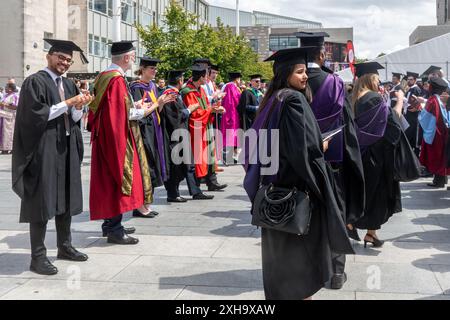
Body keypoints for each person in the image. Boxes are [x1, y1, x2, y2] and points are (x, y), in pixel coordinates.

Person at [243, 46, 354, 300]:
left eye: (305, 71)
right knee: (300, 266)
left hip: (274, 192)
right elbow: (302, 149)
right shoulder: (293, 99)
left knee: (280, 262)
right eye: (300, 71)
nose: (305, 76)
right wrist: (321, 146)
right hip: (296, 192)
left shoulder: (273, 99)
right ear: (286, 73)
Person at [12, 39, 92, 275]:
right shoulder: (34, 82)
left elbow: (74, 119)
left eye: (68, 60)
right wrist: (69, 102)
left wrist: (80, 106)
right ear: (49, 56)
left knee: (65, 197)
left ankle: (65, 246)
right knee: (42, 200)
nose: (64, 62)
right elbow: (36, 115)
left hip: (66, 148)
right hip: (43, 149)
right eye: (61, 57)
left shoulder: (68, 84)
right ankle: (38, 257)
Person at [297, 31, 365, 290]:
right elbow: (347, 127)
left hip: (301, 165)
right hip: (332, 163)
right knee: (334, 215)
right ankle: (335, 273)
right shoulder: (334, 83)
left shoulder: (288, 84)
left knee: (305, 217)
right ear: (322, 53)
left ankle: (306, 269)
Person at [88, 41, 154, 244]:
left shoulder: (104, 76)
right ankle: (115, 229)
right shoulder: (116, 80)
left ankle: (110, 224)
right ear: (126, 57)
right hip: (117, 139)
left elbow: (114, 108)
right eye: (133, 56)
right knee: (118, 179)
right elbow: (118, 116)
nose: (134, 59)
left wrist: (133, 104)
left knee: (108, 181)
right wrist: (143, 110)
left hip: (106, 138)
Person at [352, 62, 403, 248]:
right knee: (376, 194)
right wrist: (400, 101)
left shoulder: (352, 98)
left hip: (357, 153)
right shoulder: (375, 98)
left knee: (362, 192)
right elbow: (393, 125)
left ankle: (367, 232)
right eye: (377, 77)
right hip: (375, 155)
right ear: (370, 78)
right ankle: (368, 232)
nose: (379, 80)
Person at [130, 57, 175, 218]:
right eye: (151, 68)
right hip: (144, 132)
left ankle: (146, 203)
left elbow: (157, 110)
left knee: (154, 166)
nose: (154, 71)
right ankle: (140, 206)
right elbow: (138, 114)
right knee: (146, 167)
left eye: (155, 69)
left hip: (155, 129)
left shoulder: (153, 86)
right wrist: (157, 103)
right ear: (142, 68)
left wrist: (162, 102)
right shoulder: (136, 87)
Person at [181, 64, 228, 193]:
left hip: (205, 125)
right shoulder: (188, 92)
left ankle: (212, 182)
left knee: (209, 156)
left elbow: (206, 106)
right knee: (198, 158)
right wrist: (210, 110)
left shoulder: (200, 89)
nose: (208, 78)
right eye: (207, 75)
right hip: (196, 128)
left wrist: (215, 110)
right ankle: (196, 189)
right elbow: (194, 114)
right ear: (201, 77)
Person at [162, 70, 201, 202]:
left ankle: (180, 192)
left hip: (179, 134)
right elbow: (175, 117)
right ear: (179, 81)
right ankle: (173, 194)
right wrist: (190, 109)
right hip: (175, 135)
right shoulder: (170, 95)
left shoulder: (174, 94)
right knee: (176, 165)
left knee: (183, 164)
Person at [419, 77, 450, 188]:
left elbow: (424, 117)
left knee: (436, 157)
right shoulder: (439, 99)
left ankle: (438, 181)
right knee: (442, 157)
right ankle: (441, 179)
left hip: (435, 133)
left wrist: (420, 109)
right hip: (442, 131)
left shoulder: (433, 100)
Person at [221, 72, 242, 164]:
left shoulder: (230, 86)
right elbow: (235, 100)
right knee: (230, 134)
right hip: (231, 115)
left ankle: (230, 156)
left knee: (232, 135)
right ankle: (227, 156)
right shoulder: (231, 86)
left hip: (233, 114)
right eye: (239, 79)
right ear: (237, 79)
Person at [404, 72, 423, 157]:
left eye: (411, 79)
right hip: (408, 115)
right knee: (409, 134)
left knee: (413, 135)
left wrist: (415, 107)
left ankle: (415, 155)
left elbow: (417, 103)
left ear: (415, 80)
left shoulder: (416, 89)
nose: (409, 81)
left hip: (414, 116)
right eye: (408, 79)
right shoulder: (410, 89)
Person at [0, 83, 19, 154]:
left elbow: (15, 107)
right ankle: (4, 148)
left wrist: (4, 104)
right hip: (3, 116)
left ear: (10, 89)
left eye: (6, 87)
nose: (5, 88)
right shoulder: (5, 96)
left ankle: (10, 148)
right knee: (3, 133)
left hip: (10, 118)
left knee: (9, 133)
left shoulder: (15, 96)